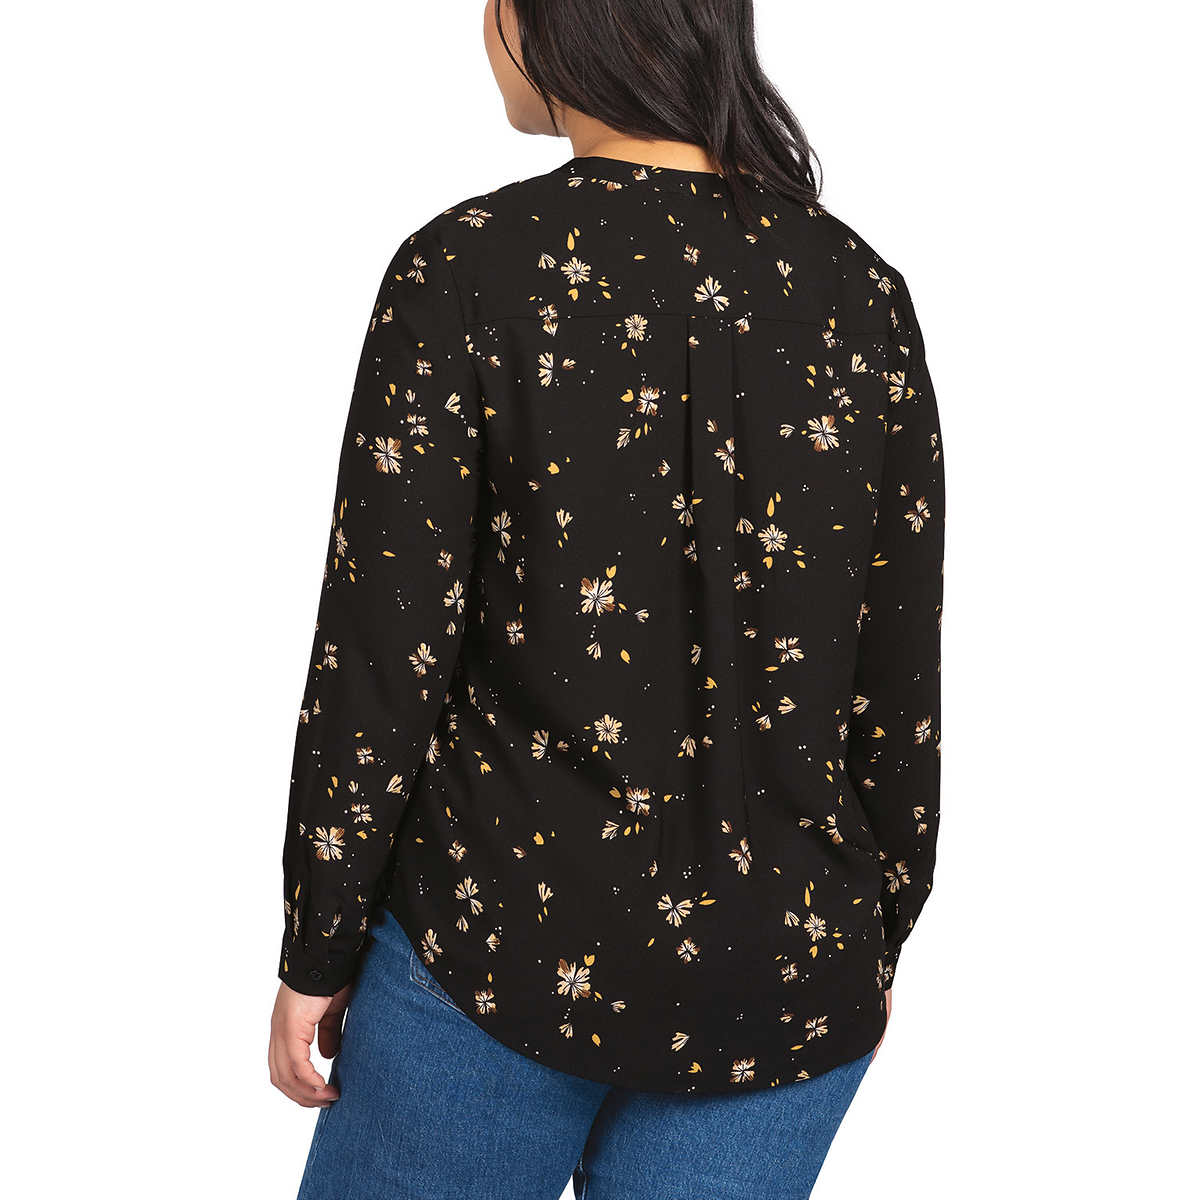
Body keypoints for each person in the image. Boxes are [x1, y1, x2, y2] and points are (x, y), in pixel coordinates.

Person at [268, 2, 945, 1196]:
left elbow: (382, 652)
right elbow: (897, 672)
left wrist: (319, 941)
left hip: (496, 946)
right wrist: (873, 932)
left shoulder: (466, 269)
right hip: (784, 965)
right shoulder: (860, 292)